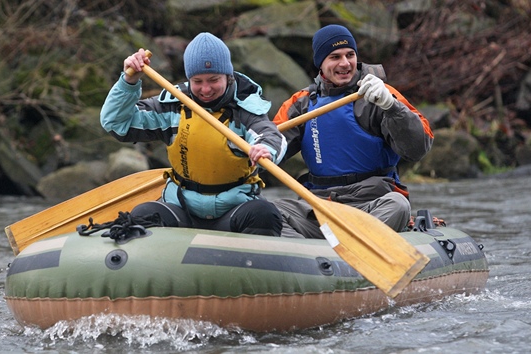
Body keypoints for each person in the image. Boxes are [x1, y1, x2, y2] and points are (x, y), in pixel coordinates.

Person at [100, 32, 287, 236]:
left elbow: (269, 134)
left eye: (213, 79)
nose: (205, 89)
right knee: (143, 214)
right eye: (197, 81)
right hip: (182, 209)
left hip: (233, 210)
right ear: (189, 79)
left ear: (228, 75)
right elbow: (117, 123)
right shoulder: (171, 106)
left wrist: (265, 150)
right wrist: (129, 81)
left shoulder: (245, 108)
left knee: (265, 214)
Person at [272, 24, 433, 238]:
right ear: (321, 63)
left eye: (350, 55)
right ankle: (314, 259)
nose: (345, 63)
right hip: (321, 207)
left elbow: (417, 148)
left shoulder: (381, 95)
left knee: (398, 205)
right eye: (335, 57)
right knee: (271, 212)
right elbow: (270, 147)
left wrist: (392, 107)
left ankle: (350, 249)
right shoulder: (301, 104)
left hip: (373, 204)